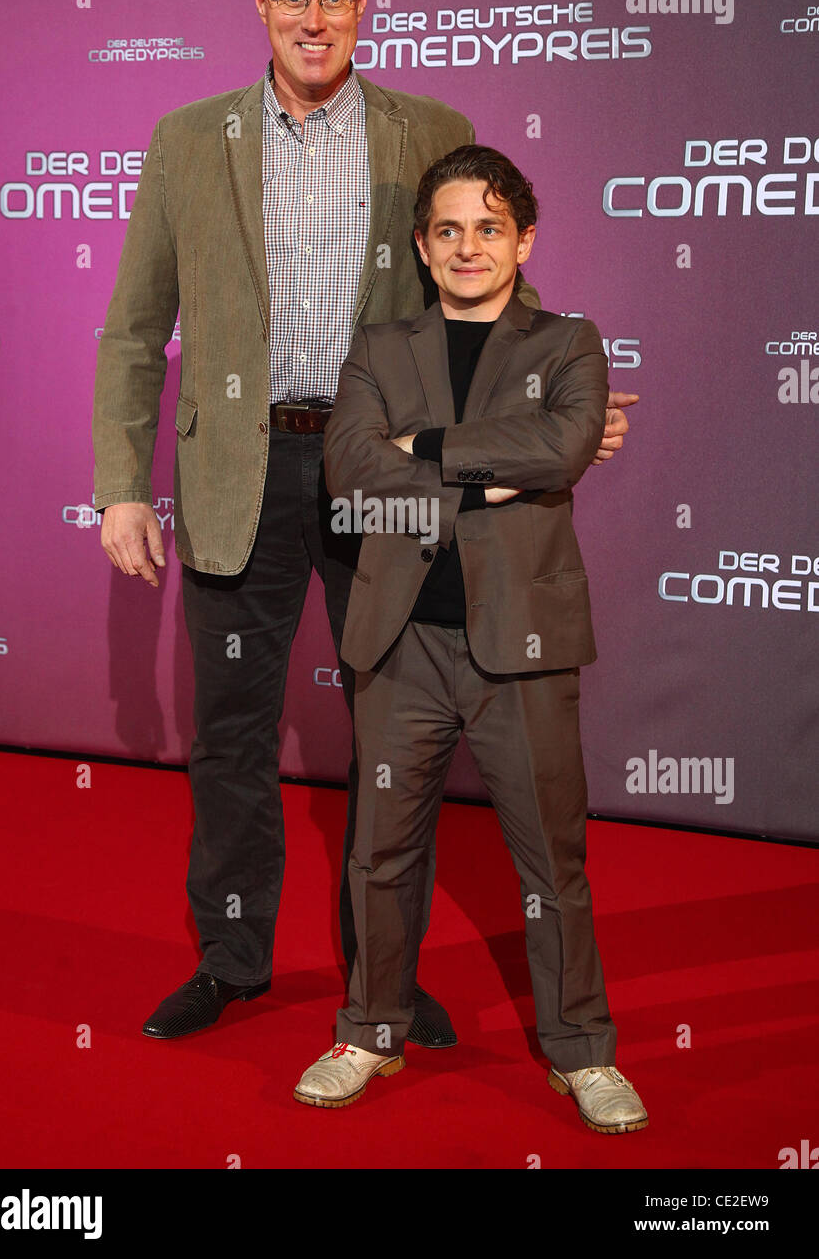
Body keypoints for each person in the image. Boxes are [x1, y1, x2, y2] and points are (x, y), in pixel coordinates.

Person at [92, 0, 636, 1050]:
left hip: (382, 477)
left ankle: (377, 981)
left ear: (364, 1)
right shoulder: (190, 139)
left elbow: (484, 278)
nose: (314, 15)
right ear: (258, 1)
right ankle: (233, 962)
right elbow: (137, 328)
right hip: (239, 479)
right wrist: (123, 485)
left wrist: (561, 394)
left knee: (388, 737)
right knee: (233, 736)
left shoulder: (427, 126)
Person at [295, 145, 647, 1135]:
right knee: (379, 850)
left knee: (550, 857)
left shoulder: (567, 341)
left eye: (488, 226)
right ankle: (368, 1027)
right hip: (400, 639)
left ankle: (581, 1049)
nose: (467, 245)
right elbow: (351, 476)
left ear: (522, 238)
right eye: (446, 228)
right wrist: (490, 476)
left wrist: (425, 450)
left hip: (521, 642)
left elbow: (564, 445)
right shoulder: (378, 347)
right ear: (421, 243)